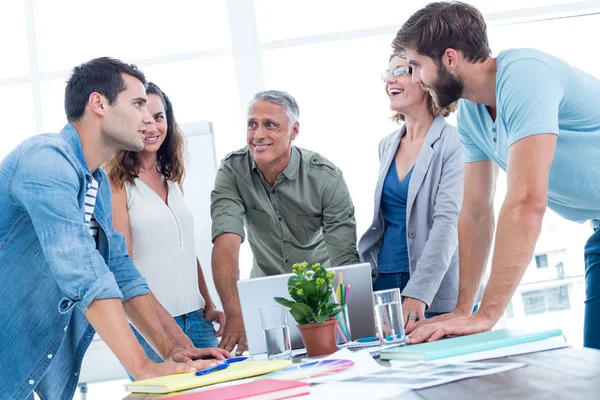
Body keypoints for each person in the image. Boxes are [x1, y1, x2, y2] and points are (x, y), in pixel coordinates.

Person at [0, 57, 229, 400]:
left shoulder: (97, 185)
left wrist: (170, 349)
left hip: (33, 361)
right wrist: (142, 366)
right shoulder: (45, 159)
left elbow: (119, 269)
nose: (146, 118)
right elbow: (81, 268)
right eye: (137, 104)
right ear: (99, 103)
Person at [393, 1, 600, 349]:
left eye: (416, 66)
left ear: (448, 58)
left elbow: (525, 202)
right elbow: (475, 211)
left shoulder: (524, 75)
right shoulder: (472, 113)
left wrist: (487, 315)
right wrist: (465, 309)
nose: (414, 80)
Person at [211, 90, 359, 355]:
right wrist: (235, 313)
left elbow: (345, 259)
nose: (258, 135)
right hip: (264, 303)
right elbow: (226, 242)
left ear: (294, 130)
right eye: (252, 124)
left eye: (270, 125)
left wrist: (351, 322)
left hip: (320, 302)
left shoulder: (325, 178)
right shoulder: (232, 171)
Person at [105, 82, 226, 367]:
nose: (151, 127)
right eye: (142, 117)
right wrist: (168, 332)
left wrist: (208, 303)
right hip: (152, 327)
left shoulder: (171, 179)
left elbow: (185, 249)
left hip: (198, 321)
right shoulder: (116, 185)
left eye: (159, 118)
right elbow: (125, 266)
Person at [358, 51, 477, 333]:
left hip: (431, 286)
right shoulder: (386, 145)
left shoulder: (454, 142)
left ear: (425, 79)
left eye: (400, 71)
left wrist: (418, 293)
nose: (389, 80)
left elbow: (447, 223)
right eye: (387, 73)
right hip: (385, 281)